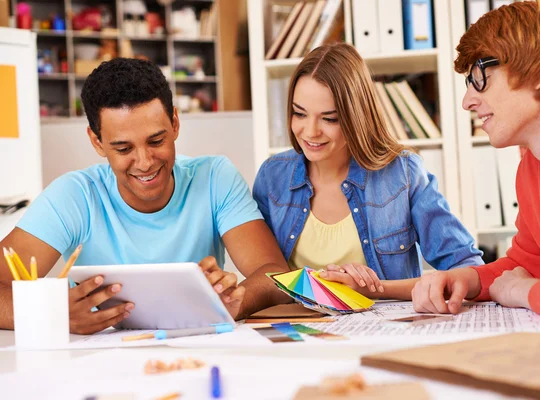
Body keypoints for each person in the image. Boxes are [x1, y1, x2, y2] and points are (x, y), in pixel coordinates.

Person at [0, 58, 290, 334]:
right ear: (97, 141)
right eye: (123, 149)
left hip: (198, 351)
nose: (144, 162)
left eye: (156, 141)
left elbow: (275, 274)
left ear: (175, 123)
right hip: (96, 362)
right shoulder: (73, 196)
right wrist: (51, 314)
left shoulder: (215, 178)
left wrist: (239, 299)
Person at [411, 1, 540, 325]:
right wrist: (467, 280)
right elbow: (526, 263)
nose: (467, 100)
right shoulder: (532, 168)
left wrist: (521, 292)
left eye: (480, 78)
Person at [252, 43, 483, 300]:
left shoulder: (402, 174)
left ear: (356, 116)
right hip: (301, 332)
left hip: (385, 332)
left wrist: (375, 289)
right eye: (299, 114)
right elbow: (261, 274)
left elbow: (469, 269)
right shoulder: (273, 177)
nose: (310, 131)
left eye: (329, 118)